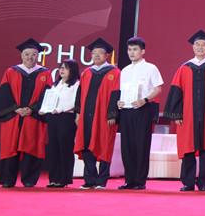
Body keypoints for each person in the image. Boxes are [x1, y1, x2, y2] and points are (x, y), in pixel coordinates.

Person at [163, 30, 205, 192]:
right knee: (188, 146)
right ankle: (188, 182)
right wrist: (177, 114)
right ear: (193, 47)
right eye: (197, 44)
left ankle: (204, 183)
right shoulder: (184, 67)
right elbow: (176, 90)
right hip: (188, 114)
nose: (200, 47)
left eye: (203, 44)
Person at [0, 39, 52, 188]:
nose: (30, 57)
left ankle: (29, 179)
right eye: (27, 54)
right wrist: (15, 108)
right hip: (14, 116)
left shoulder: (45, 73)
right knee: (10, 146)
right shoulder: (11, 72)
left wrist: (32, 108)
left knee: (32, 145)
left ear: (38, 56)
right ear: (21, 55)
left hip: (34, 116)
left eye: (33, 54)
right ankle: (7, 179)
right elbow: (4, 93)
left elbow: (47, 95)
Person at [116, 36, 163, 190]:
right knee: (127, 145)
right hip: (126, 110)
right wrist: (120, 102)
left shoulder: (151, 68)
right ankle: (129, 179)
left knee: (141, 144)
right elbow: (122, 91)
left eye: (135, 49)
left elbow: (158, 88)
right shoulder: (125, 70)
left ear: (142, 51)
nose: (131, 52)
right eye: (129, 49)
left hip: (143, 109)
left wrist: (145, 99)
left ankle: (140, 181)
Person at [74, 38, 121, 189]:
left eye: (100, 53)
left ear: (107, 55)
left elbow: (116, 94)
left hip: (104, 117)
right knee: (86, 145)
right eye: (94, 53)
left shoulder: (115, 72)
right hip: (86, 116)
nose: (96, 56)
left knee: (105, 146)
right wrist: (78, 113)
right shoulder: (86, 73)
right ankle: (90, 180)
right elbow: (79, 94)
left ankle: (102, 180)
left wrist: (112, 114)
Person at [38, 59, 80, 188]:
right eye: (61, 67)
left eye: (65, 68)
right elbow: (50, 100)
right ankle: (53, 178)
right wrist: (44, 109)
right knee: (53, 147)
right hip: (53, 118)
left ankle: (64, 178)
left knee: (64, 148)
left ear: (72, 70)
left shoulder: (76, 84)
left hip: (66, 118)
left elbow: (75, 103)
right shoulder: (56, 84)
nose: (62, 70)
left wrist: (60, 109)